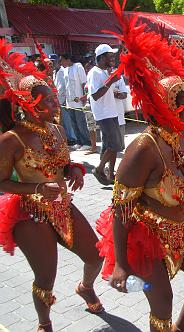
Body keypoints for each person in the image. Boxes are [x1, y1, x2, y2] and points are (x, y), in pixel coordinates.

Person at [95, 5, 184, 330]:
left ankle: (183, 326)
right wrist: (121, 266)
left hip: (181, 228)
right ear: (166, 107)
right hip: (145, 234)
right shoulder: (144, 147)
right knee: (163, 302)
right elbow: (121, 207)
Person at [0, 39, 104, 332]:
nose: (55, 104)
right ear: (27, 103)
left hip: (62, 205)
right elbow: (1, 181)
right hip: (29, 212)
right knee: (46, 276)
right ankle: (44, 324)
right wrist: (35, 189)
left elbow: (61, 164)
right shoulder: (11, 139)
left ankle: (85, 287)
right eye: (48, 100)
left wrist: (74, 170)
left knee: (96, 255)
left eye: (54, 98)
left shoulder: (57, 130)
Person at [87, 44, 122, 185]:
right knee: (114, 144)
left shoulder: (104, 72)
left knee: (113, 145)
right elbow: (94, 95)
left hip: (111, 112)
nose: (112, 58)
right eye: (109, 56)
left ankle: (111, 174)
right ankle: (99, 169)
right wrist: (110, 82)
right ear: (101, 58)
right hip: (103, 114)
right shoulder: (94, 73)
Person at [60, 54, 92, 151]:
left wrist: (84, 98)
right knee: (74, 123)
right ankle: (79, 142)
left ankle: (87, 142)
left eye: (62, 60)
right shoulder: (65, 70)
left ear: (68, 59)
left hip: (78, 101)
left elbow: (84, 83)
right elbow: (66, 86)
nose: (61, 63)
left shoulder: (78, 66)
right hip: (70, 102)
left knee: (80, 122)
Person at [51, 54, 77, 145]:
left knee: (67, 120)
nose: (53, 64)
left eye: (54, 62)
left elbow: (63, 87)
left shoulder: (62, 71)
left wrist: (60, 100)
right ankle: (67, 137)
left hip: (63, 100)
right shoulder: (55, 72)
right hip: (57, 100)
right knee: (62, 121)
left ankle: (72, 138)